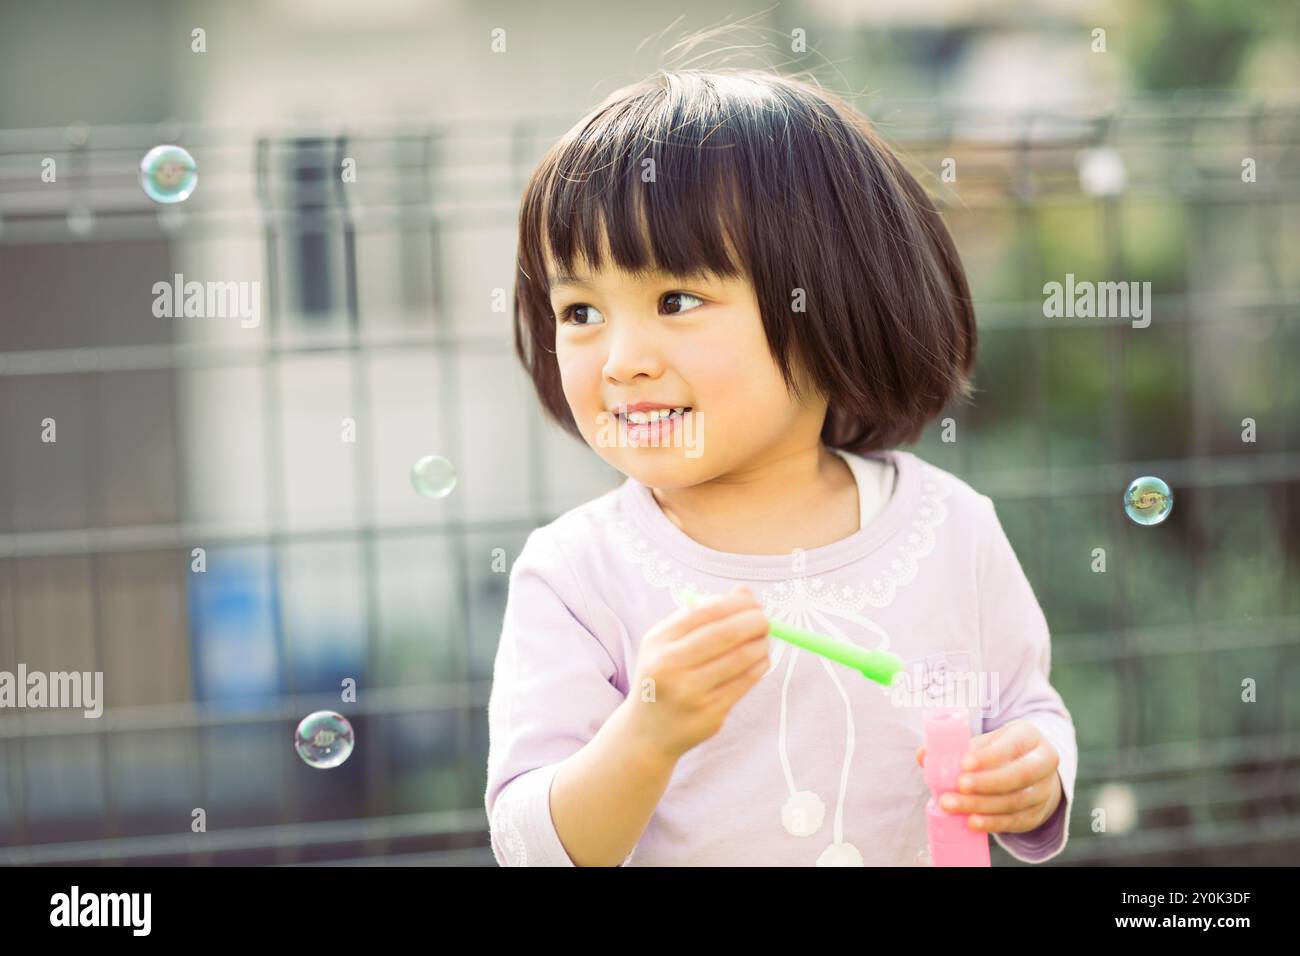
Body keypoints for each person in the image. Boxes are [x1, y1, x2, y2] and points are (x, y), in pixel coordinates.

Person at [485, 68, 1076, 866]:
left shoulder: (951, 529)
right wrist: (647, 734)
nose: (621, 361)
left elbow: (1022, 710)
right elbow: (531, 846)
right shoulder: (577, 574)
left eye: (676, 301)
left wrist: (1033, 772)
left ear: (830, 299)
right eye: (581, 311)